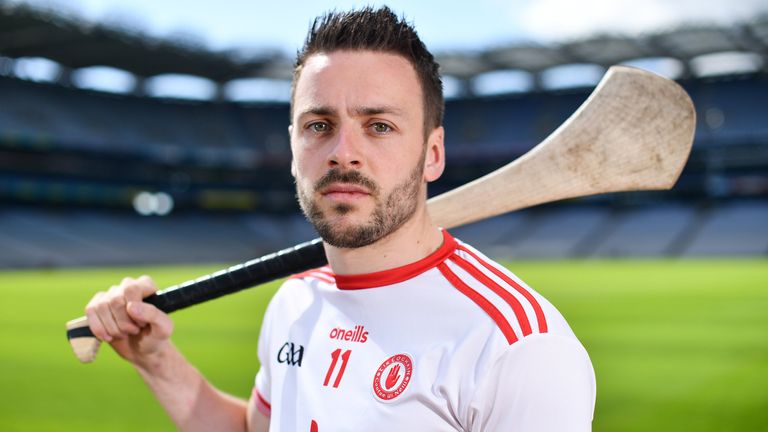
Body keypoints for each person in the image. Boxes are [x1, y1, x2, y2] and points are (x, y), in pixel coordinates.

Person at [84, 6, 596, 431]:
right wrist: (157, 361)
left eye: (378, 125)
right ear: (292, 149)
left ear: (433, 154)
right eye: (320, 124)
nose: (343, 153)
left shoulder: (518, 346)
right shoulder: (294, 301)